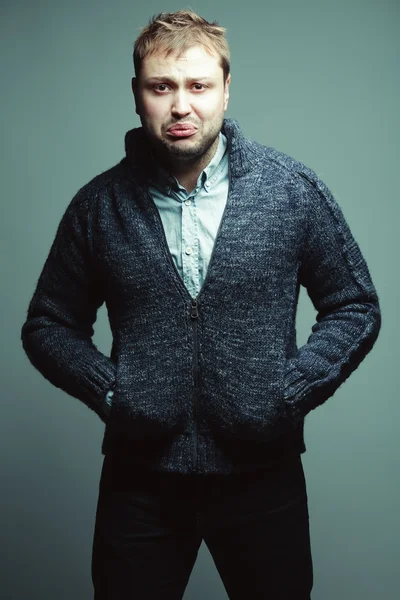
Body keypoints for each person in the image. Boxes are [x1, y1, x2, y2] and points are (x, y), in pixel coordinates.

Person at [21, 9, 382, 600]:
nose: (180, 106)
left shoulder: (290, 190)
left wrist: (288, 392)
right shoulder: (99, 206)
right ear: (138, 95)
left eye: (197, 86)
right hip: (140, 485)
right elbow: (48, 324)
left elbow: (355, 305)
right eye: (161, 87)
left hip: (264, 480)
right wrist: (113, 393)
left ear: (226, 90)